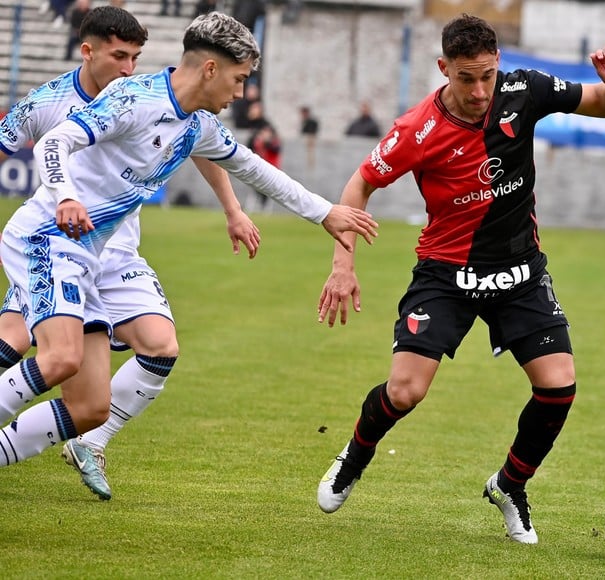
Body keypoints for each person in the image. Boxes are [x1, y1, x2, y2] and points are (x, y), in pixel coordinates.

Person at [0, 11, 378, 491]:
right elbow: (54, 141)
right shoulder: (133, 98)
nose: (240, 94)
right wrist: (65, 195)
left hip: (88, 257)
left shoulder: (196, 125)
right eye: (239, 80)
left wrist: (323, 212)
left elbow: (252, 166)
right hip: (47, 238)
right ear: (211, 70)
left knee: (90, 408)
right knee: (59, 358)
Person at [315, 13, 605, 544]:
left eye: (487, 75)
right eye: (466, 78)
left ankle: (510, 485)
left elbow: (601, 104)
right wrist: (342, 267)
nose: (480, 89)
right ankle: (355, 455)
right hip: (446, 272)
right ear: (443, 68)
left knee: (558, 388)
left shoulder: (523, 90)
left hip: (520, 270)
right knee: (405, 391)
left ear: (498, 64)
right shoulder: (417, 130)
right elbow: (357, 187)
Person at [0, 5, 262, 500]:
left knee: (160, 348)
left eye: (135, 57)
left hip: (114, 255)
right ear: (88, 51)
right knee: (16, 345)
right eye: (119, 56)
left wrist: (232, 208)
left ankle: (91, 442)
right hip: (52, 244)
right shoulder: (48, 102)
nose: (127, 68)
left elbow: (198, 144)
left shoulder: (146, 101)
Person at [246, 102, 282, 211]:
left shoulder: (267, 129)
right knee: (257, 188)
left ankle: (264, 208)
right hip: (258, 164)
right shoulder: (254, 129)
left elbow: (275, 148)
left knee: (266, 189)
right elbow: (250, 145)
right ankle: (257, 207)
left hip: (269, 165)